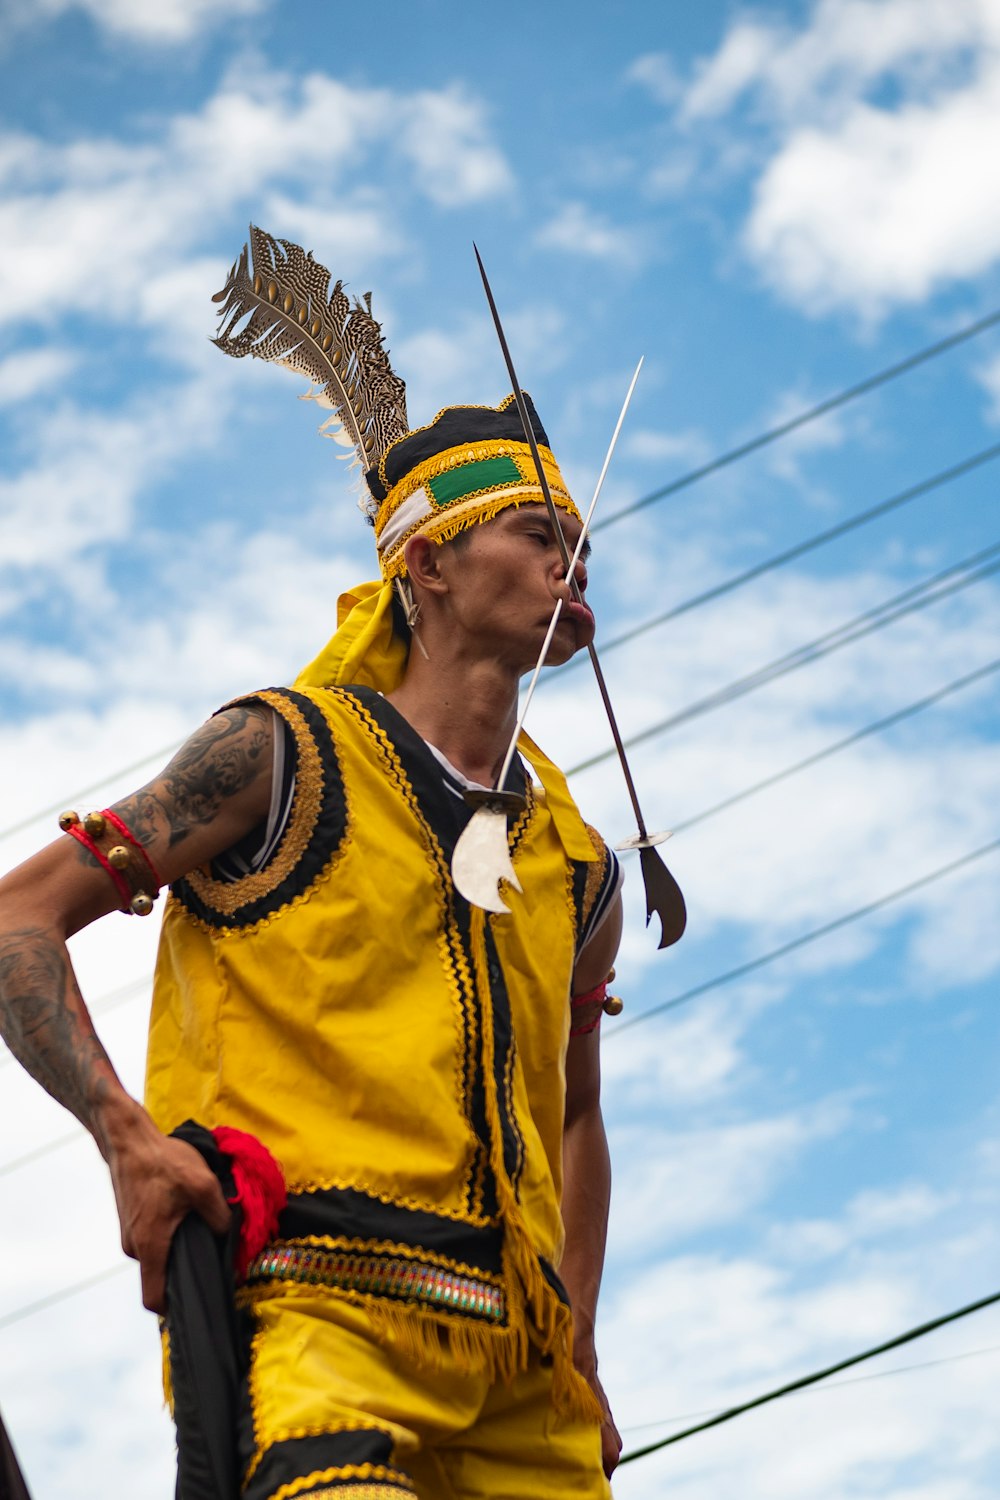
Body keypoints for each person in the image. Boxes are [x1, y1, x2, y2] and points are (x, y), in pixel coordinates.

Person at [0, 228, 631, 1499]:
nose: (572, 554)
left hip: (522, 1388)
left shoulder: (577, 866)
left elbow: (571, 1109)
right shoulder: (277, 755)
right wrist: (124, 1137)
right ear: (427, 565)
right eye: (530, 527)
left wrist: (580, 1330)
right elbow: (17, 915)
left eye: (578, 531)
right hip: (319, 1328)